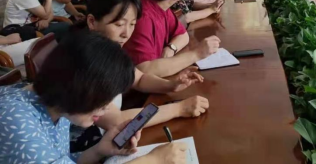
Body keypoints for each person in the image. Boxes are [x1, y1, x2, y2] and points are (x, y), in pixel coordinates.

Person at [0, 31, 188, 163]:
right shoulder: (14, 118)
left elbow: (59, 160)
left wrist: (98, 151)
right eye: (104, 100)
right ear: (78, 87)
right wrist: (153, 161)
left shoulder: (58, 106)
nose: (106, 109)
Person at [79, 0, 208, 139]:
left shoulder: (110, 50)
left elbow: (139, 79)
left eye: (132, 24)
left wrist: (171, 85)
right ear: (92, 22)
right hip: (90, 144)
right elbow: (115, 121)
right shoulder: (87, 61)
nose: (126, 33)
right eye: (119, 24)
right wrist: (179, 109)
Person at [123, 0, 220, 78]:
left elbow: (183, 35)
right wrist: (197, 54)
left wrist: (170, 48)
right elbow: (145, 70)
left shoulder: (159, 4)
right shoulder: (142, 17)